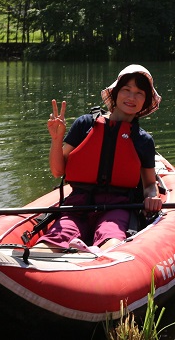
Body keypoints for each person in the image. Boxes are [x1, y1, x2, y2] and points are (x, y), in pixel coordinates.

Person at [38, 64, 164, 250]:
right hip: (77, 207)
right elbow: (58, 171)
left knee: (112, 243)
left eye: (139, 93)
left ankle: (92, 262)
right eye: (126, 90)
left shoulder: (143, 140)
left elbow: (149, 184)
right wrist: (56, 140)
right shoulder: (84, 124)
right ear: (115, 93)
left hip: (117, 209)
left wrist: (152, 197)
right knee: (49, 245)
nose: (131, 97)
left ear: (145, 101)